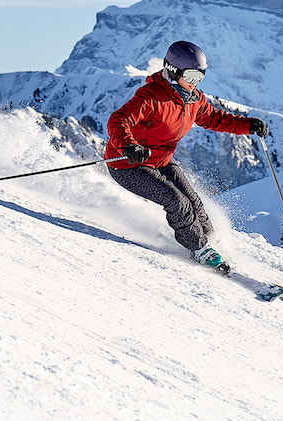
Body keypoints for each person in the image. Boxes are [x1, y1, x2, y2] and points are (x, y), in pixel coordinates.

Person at [105, 40, 268, 270]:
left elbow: (216, 119)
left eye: (200, 77)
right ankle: (198, 249)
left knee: (194, 201)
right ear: (173, 71)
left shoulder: (193, 100)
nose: (195, 83)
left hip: (160, 161)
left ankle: (210, 241)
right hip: (128, 164)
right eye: (191, 76)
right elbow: (118, 120)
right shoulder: (151, 96)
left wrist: (247, 125)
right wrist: (128, 147)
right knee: (177, 202)